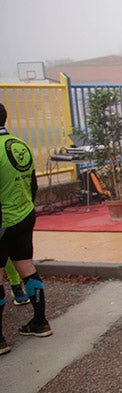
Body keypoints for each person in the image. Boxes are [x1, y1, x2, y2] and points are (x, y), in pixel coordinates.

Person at [0, 103, 50, 357]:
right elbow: (32, 182)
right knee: (27, 268)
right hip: (25, 215)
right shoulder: (20, 145)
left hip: (2, 221)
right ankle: (40, 322)